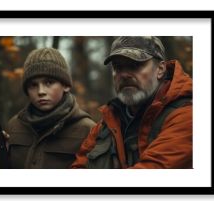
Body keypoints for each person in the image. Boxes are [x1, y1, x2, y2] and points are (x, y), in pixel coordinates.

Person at [71, 36, 192, 169]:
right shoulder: (107, 125)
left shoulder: (187, 115)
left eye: (135, 65)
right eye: (118, 67)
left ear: (160, 69)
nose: (124, 74)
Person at [0, 47, 96, 169]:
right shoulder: (14, 126)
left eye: (49, 82)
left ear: (66, 85)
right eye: (33, 85)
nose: (41, 91)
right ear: (26, 90)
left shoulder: (88, 130)